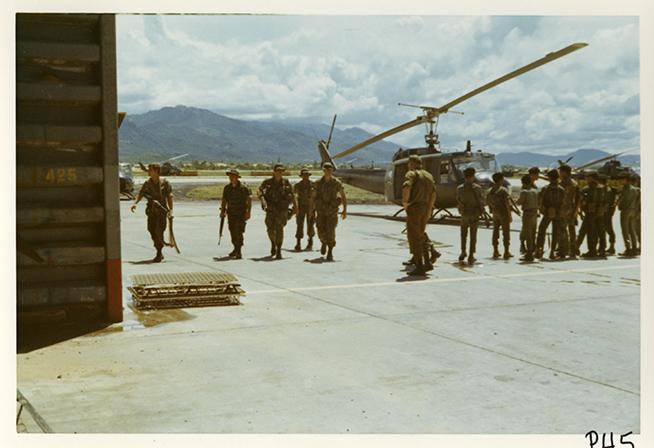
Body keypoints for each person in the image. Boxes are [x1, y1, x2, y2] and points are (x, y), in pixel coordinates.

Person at [130, 163, 173, 262]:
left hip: (161, 211)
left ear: (156, 171)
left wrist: (170, 210)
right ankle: (159, 248)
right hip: (151, 211)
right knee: (151, 230)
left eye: (150, 170)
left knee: (159, 231)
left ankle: (159, 252)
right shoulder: (147, 183)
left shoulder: (165, 183)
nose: (148, 171)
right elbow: (141, 193)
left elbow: (170, 196)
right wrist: (135, 203)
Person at [402, 155, 437, 275]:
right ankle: (427, 262)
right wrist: (430, 209)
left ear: (412, 163)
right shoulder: (429, 176)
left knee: (414, 237)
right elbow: (433, 194)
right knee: (421, 235)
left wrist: (405, 203)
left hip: (415, 208)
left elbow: (406, 187)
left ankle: (419, 266)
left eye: (409, 163)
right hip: (426, 208)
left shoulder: (411, 174)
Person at [258, 164, 297, 259]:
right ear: (274, 171)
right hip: (271, 210)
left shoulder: (286, 182)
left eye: (281, 171)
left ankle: (279, 249)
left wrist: (296, 207)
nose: (279, 173)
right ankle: (273, 243)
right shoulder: (267, 182)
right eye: (278, 171)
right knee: (270, 229)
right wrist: (263, 201)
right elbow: (260, 191)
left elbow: (292, 195)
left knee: (279, 229)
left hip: (282, 210)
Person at [313, 162, 347, 261]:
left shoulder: (336, 183)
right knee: (320, 230)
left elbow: (343, 196)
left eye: (330, 170)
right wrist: (312, 210)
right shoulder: (318, 183)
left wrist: (345, 210)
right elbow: (313, 197)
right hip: (321, 211)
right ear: (323, 170)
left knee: (331, 231)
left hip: (332, 212)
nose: (328, 171)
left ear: (332, 171)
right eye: (326, 170)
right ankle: (323, 242)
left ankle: (330, 251)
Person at [220, 168, 251, 259]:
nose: (231, 177)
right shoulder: (227, 188)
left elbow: (249, 200)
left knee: (239, 232)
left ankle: (239, 251)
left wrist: (248, 212)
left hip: (240, 213)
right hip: (231, 213)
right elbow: (224, 200)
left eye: (233, 176)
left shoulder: (243, 188)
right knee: (232, 231)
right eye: (230, 176)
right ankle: (235, 248)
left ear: (237, 177)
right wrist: (222, 211)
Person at [456, 167, 485, 264]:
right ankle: (471, 254)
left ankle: (463, 251)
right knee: (473, 236)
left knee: (463, 235)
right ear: (473, 176)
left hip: (464, 214)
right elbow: (481, 201)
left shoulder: (460, 188)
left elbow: (458, 200)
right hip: (474, 214)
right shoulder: (477, 188)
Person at [535, 169, 565, 260]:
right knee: (556, 232)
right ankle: (552, 251)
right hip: (558, 213)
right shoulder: (561, 189)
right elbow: (564, 202)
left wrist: (543, 210)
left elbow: (540, 201)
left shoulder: (545, 188)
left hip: (547, 212)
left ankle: (539, 249)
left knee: (542, 230)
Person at [486, 172, 512, 259]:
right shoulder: (503, 190)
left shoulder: (489, 191)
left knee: (495, 232)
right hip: (503, 213)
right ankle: (506, 252)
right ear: (501, 180)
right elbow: (507, 203)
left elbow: (488, 202)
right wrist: (509, 215)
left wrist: (491, 209)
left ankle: (495, 251)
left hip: (495, 213)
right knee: (506, 233)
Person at [579, 172, 605, 258]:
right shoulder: (603, 188)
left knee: (591, 232)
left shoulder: (587, 188)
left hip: (590, 213)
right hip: (600, 213)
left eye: (588, 178)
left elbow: (582, 200)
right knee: (600, 232)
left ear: (592, 178)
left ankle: (592, 251)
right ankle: (601, 250)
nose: (586, 179)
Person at [557, 164, 580, 259]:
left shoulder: (564, 183)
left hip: (564, 209)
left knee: (562, 230)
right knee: (572, 230)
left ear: (564, 172)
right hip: (572, 209)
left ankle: (563, 250)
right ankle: (573, 250)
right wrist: (576, 210)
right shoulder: (575, 183)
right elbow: (578, 198)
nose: (559, 174)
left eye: (560, 172)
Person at [517, 174, 539, 261]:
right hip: (535, 213)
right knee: (533, 233)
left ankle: (529, 253)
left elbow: (519, 202)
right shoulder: (535, 191)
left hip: (527, 213)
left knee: (528, 234)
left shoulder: (524, 192)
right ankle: (533, 250)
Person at [617, 173, 639, 257]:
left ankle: (628, 249)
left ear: (626, 179)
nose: (620, 181)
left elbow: (623, 200)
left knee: (625, 231)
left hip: (626, 211)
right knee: (632, 230)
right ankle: (634, 248)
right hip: (633, 210)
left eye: (622, 179)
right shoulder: (635, 189)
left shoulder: (625, 188)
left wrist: (620, 206)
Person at [520, 166, 542, 253]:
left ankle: (531, 246)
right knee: (526, 230)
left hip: (534, 211)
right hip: (528, 211)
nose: (538, 176)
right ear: (532, 175)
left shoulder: (533, 186)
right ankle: (524, 245)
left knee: (532, 230)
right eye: (537, 174)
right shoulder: (526, 186)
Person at [293, 167, 316, 251]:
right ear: (301, 176)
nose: (306, 176)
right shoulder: (298, 185)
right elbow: (295, 196)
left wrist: (314, 208)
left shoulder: (313, 185)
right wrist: (296, 207)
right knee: (299, 225)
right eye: (304, 174)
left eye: (307, 174)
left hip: (311, 207)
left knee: (310, 225)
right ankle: (298, 242)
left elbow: (316, 196)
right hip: (301, 207)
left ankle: (310, 241)